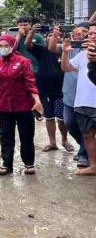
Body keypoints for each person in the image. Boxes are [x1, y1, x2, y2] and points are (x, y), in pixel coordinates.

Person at [0, 35, 43, 175]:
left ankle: (29, 163)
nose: (3, 48)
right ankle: (6, 164)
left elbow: (30, 82)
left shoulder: (23, 62)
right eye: (1, 45)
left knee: (26, 135)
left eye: (6, 45)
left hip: (23, 105)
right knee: (5, 136)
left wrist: (37, 99)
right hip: (4, 105)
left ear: (12, 46)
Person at [25, 24, 74, 153]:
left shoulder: (66, 50)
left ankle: (64, 140)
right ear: (47, 38)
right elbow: (27, 44)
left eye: (57, 36)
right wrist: (31, 32)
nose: (54, 37)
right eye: (51, 35)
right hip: (44, 90)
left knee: (62, 118)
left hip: (61, 90)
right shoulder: (42, 50)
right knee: (49, 117)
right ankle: (52, 142)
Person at [48, 25, 89, 167]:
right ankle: (86, 147)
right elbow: (52, 48)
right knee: (69, 123)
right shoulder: (68, 47)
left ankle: (84, 153)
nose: (82, 34)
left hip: (87, 97)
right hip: (70, 94)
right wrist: (55, 35)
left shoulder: (91, 49)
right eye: (79, 31)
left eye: (85, 32)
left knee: (87, 126)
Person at [61, 23, 96, 176]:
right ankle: (94, 166)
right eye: (91, 34)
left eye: (95, 33)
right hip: (83, 102)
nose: (92, 36)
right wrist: (64, 53)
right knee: (87, 135)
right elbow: (66, 68)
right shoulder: (82, 54)